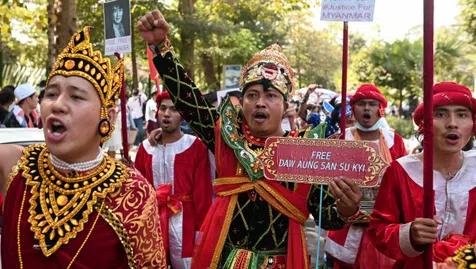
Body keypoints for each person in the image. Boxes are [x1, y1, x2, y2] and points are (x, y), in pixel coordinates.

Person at [138, 10, 362, 269]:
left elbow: (325, 216)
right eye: (252, 95)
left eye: (271, 96)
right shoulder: (226, 135)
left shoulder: (305, 150)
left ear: (286, 104)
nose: (260, 103)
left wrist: (347, 208)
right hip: (223, 260)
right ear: (242, 102)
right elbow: (189, 100)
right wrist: (160, 49)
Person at [0, 27, 166, 268]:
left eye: (76, 97)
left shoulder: (132, 193)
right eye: (51, 93)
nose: (57, 105)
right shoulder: (16, 165)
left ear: (107, 118)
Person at [366, 82, 476, 268]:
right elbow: (378, 229)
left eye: (462, 115)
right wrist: (409, 234)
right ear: (424, 123)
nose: (452, 123)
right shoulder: (401, 171)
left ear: (474, 124)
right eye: (440, 114)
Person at [325, 84, 408, 269]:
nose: (367, 108)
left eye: (372, 104)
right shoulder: (340, 139)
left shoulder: (395, 141)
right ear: (353, 109)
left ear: (380, 110)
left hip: (383, 222)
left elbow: (404, 181)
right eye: (362, 104)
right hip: (347, 224)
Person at [135, 91, 213, 269]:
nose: (167, 114)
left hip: (185, 222)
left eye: (174, 109)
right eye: (163, 108)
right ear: (157, 112)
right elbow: (137, 189)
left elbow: (203, 194)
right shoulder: (145, 148)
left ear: (183, 115)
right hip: (152, 220)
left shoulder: (195, 146)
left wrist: (201, 233)